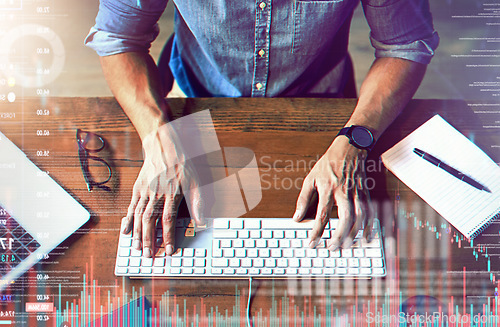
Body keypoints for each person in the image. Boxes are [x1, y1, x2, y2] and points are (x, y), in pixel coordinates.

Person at [85, 0, 439, 258]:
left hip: (324, 110)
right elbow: (119, 37)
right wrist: (157, 135)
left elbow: (403, 45)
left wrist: (356, 138)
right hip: (196, 99)